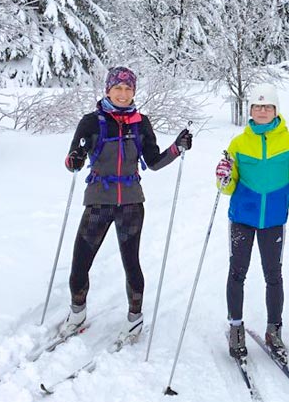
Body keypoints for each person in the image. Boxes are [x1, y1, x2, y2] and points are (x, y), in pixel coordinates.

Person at [60, 66, 192, 339]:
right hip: (98, 201)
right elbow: (74, 159)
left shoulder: (141, 122)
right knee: (80, 262)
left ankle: (134, 319)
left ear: (134, 92)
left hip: (131, 203)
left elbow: (153, 162)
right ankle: (77, 314)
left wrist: (177, 148)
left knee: (131, 262)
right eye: (117, 88)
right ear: (107, 90)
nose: (122, 94)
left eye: (128, 89)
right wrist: (74, 158)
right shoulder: (91, 121)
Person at [214, 83, 289, 362]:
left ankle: (273, 329)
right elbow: (227, 186)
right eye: (257, 106)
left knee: (273, 275)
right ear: (250, 110)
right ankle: (235, 327)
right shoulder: (239, 143)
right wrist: (223, 176)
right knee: (237, 273)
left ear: (276, 110)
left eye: (267, 106)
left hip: (274, 219)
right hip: (242, 217)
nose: (262, 111)